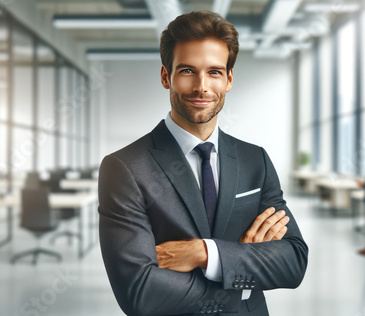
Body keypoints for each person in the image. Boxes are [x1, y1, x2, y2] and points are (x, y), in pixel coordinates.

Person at [98, 11, 308, 316]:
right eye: (187, 71)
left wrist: (204, 253)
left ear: (229, 79)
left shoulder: (255, 161)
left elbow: (293, 261)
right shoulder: (125, 168)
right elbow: (139, 292)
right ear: (165, 76)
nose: (201, 86)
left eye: (214, 72)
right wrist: (242, 278)